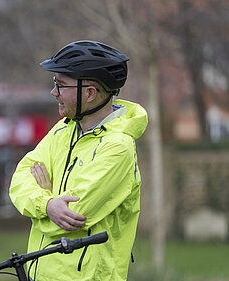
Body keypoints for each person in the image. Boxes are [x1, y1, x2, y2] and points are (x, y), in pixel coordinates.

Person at [9, 40, 148, 281]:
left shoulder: (118, 147)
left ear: (90, 92)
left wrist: (43, 202)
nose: (54, 93)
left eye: (60, 85)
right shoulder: (62, 131)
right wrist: (48, 203)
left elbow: (71, 217)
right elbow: (19, 181)